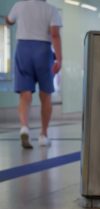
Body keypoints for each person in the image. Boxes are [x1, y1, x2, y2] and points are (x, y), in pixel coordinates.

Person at [6, 0, 63, 149]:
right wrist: (59, 59)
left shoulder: (19, 5)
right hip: (43, 51)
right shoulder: (51, 9)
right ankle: (43, 135)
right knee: (46, 95)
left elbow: (9, 20)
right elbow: (55, 35)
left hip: (23, 49)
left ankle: (24, 127)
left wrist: (10, 19)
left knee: (25, 94)